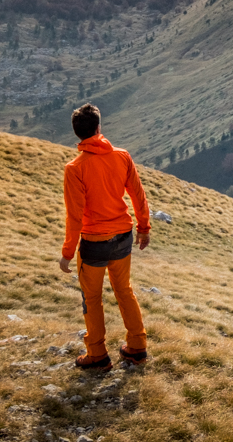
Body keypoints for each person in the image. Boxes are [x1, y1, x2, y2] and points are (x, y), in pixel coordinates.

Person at [59, 103, 152, 371]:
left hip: (94, 244)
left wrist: (67, 253)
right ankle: (137, 346)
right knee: (125, 291)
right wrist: (143, 228)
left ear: (78, 134)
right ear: (99, 128)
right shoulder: (122, 156)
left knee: (92, 299)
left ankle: (97, 354)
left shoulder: (75, 168)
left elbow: (74, 217)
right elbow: (137, 194)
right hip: (123, 237)